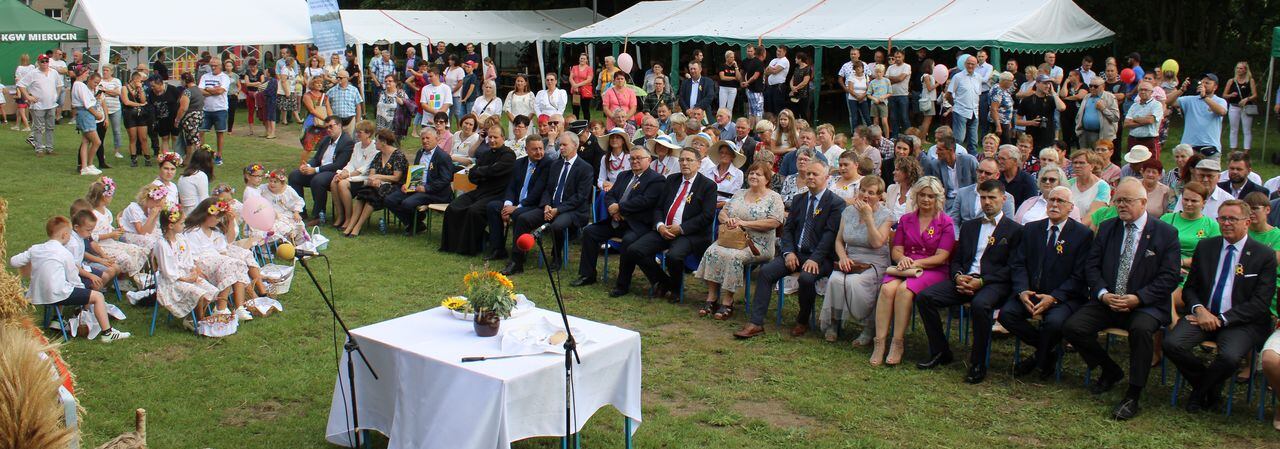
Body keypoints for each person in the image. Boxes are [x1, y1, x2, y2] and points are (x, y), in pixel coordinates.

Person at [1063, 177, 1181, 421]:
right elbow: (1091, 266)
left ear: (1144, 202)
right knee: (1074, 327)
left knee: (1141, 331)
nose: (1121, 205)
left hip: (1144, 305)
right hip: (1108, 299)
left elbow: (1169, 277)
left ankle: (1133, 394)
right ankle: (1110, 369)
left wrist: (1137, 298)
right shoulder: (1108, 228)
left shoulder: (1165, 233)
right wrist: (1104, 294)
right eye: (1118, 200)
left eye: (1127, 201)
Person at [1165, 200, 1276, 413]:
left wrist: (1222, 319)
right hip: (1202, 314)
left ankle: (1199, 393)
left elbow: (1260, 303)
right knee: (1172, 344)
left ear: (1247, 222)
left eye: (1232, 219)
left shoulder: (1264, 255)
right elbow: (1190, 289)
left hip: (1241, 322)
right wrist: (1199, 309)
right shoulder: (1207, 247)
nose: (1226, 223)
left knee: (1230, 357)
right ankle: (1211, 390)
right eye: (1222, 218)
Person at [917, 180, 1023, 384]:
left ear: (1004, 198)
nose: (987, 202)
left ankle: (978, 362)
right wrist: (958, 276)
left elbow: (1011, 267)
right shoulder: (970, 226)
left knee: (980, 305)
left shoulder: (1015, 230)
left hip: (994, 284)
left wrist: (981, 281)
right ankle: (941, 351)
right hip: (965, 278)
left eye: (992, 197)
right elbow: (957, 259)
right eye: (983, 197)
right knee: (925, 298)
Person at [733, 157, 844, 338]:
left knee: (807, 279)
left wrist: (815, 259)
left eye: (815, 174)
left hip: (821, 257)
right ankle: (756, 323)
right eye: (808, 173)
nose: (810, 177)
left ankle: (802, 320)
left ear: (827, 178)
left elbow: (829, 236)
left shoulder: (835, 203)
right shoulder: (799, 199)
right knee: (766, 272)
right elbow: (788, 230)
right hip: (795, 253)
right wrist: (788, 252)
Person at [999, 185, 1093, 379]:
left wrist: (1055, 297)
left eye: (1061, 201)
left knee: (1054, 323)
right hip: (1032, 293)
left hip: (1064, 297)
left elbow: (1079, 276)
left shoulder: (1082, 235)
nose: (1055, 204)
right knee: (1006, 315)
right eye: (1052, 200)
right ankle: (1048, 352)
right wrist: (1022, 290)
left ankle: (1037, 358)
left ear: (1070, 208)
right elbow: (1018, 264)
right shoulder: (1032, 229)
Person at [871, 176, 955, 365]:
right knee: (887, 289)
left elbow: (942, 256)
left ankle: (897, 342)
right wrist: (903, 259)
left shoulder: (946, 222)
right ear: (916, 196)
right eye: (922, 195)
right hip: (905, 265)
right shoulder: (906, 219)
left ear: (938, 198)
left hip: (933, 268)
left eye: (931, 196)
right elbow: (897, 249)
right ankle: (879, 342)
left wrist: (918, 264)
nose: (926, 200)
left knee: (903, 290)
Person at [612, 147, 717, 298]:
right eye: (681, 160)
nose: (684, 163)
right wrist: (660, 226)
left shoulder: (708, 186)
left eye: (689, 160)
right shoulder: (672, 180)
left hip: (689, 233)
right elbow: (659, 207)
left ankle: (675, 290)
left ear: (699, 164)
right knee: (635, 250)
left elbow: (707, 217)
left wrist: (680, 228)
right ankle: (663, 281)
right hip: (664, 229)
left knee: (674, 256)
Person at [9, 217, 131, 342]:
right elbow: (74, 280)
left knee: (69, 287)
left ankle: (58, 318)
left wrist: (31, 265)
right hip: (57, 294)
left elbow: (14, 261)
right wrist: (86, 297)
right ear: (65, 234)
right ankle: (108, 333)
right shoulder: (64, 253)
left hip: (37, 295)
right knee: (98, 296)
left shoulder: (35, 249)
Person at [693, 161, 783, 319]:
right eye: (751, 173)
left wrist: (744, 223)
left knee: (733, 257)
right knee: (712, 251)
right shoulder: (740, 193)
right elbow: (722, 212)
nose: (753, 176)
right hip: (732, 239)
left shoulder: (774, 198)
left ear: (767, 179)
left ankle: (728, 301)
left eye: (758, 174)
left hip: (757, 244)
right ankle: (712, 298)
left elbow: (774, 222)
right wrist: (727, 220)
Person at [501, 132, 593, 275]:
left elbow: (580, 197)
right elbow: (548, 189)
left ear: (575, 145)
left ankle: (556, 257)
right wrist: (546, 205)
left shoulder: (585, 168)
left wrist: (558, 210)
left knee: (557, 225)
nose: (561, 148)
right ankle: (516, 261)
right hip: (550, 208)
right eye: (559, 145)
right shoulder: (556, 165)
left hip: (573, 211)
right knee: (523, 218)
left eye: (564, 145)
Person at [821, 176, 893, 345]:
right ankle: (835, 322)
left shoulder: (886, 215)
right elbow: (839, 240)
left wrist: (868, 218)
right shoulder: (848, 211)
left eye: (871, 192)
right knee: (835, 280)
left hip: (875, 261)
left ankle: (868, 326)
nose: (865, 195)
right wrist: (843, 257)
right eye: (862, 190)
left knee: (855, 282)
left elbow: (877, 243)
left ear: (880, 196)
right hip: (851, 259)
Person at [439, 124, 516, 256]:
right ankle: (451, 245)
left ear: (503, 138)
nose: (492, 140)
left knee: (474, 211)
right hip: (479, 191)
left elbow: (493, 171)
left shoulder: (509, 155)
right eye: (490, 137)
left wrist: (481, 172)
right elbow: (473, 174)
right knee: (453, 207)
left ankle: (468, 247)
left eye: (495, 137)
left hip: (496, 194)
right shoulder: (486, 154)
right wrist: (483, 172)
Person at [181, 199, 254, 322]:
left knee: (237, 263)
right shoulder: (193, 232)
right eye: (216, 217)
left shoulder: (216, 232)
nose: (218, 220)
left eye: (220, 217)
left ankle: (239, 307)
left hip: (216, 261)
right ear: (205, 214)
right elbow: (190, 255)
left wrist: (231, 221)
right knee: (229, 264)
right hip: (201, 263)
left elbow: (224, 247)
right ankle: (221, 307)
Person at [153, 204, 222, 326]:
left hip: (186, 275)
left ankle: (192, 317)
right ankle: (200, 321)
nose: (184, 225)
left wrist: (194, 271)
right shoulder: (162, 244)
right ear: (171, 226)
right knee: (199, 293)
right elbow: (167, 270)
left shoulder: (181, 239)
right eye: (181, 223)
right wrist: (184, 278)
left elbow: (188, 260)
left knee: (211, 290)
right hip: (171, 282)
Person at [342, 129, 408, 238]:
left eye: (376, 140)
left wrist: (379, 177)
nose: (374, 142)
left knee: (372, 195)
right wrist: (374, 179)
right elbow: (372, 173)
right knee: (363, 194)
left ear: (384, 142)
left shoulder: (398, 155)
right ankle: (350, 225)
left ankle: (357, 227)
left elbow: (396, 178)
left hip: (395, 186)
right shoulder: (378, 156)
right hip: (377, 185)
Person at [289, 116, 354, 225]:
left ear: (339, 126)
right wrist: (308, 166)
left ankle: (318, 215)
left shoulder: (347, 142)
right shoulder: (326, 139)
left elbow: (339, 164)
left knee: (317, 180)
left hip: (335, 172)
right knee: (294, 175)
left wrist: (315, 170)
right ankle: (300, 211)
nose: (328, 130)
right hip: (320, 170)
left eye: (331, 126)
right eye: (326, 127)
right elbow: (317, 158)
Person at [329, 121, 381, 229]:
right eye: (356, 132)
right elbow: (351, 163)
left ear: (368, 134)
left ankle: (349, 218)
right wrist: (344, 172)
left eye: (360, 132)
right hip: (352, 176)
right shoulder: (357, 146)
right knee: (334, 181)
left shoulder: (374, 148)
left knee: (342, 184)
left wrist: (347, 175)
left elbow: (366, 168)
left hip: (365, 178)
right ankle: (340, 215)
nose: (357, 134)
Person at [1167, 73, 1229, 157]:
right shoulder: (1190, 100)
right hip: (1189, 147)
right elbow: (1167, 101)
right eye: (1202, 82)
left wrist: (1204, 97)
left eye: (1207, 83)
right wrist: (1181, 90)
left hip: (1210, 146)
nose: (1203, 85)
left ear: (1215, 87)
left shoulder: (1220, 101)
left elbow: (1222, 112)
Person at [947, 158, 1016, 231]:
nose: (982, 175)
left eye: (988, 173)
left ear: (997, 175)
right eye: (980, 171)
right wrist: (957, 238)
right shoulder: (962, 192)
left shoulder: (1006, 198)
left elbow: (1007, 227)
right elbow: (953, 221)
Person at [16, 54, 61, 156]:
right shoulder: (33, 73)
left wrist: (56, 96)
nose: (45, 63)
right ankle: (39, 149)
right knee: (38, 128)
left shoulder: (53, 72)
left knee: (50, 127)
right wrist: (28, 97)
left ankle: (49, 148)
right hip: (38, 106)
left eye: (46, 61)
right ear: (38, 62)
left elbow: (59, 85)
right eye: (42, 61)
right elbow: (21, 84)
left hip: (51, 105)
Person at [197, 58, 231, 164]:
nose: (213, 67)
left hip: (220, 109)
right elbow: (200, 90)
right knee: (200, 132)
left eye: (215, 65)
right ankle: (202, 155)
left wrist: (208, 89)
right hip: (206, 109)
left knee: (219, 133)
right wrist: (214, 90)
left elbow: (221, 91)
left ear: (220, 66)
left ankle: (219, 156)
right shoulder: (205, 76)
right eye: (211, 65)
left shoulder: (224, 78)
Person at [922, 135, 976, 202]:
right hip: (947, 201)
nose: (936, 152)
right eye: (937, 149)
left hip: (967, 199)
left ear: (950, 150)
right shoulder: (935, 165)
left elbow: (978, 181)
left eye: (940, 149)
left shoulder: (969, 161)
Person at [70, 67, 103, 175]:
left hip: (83, 113)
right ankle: (89, 164)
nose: (87, 75)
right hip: (85, 114)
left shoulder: (77, 85)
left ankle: (84, 167)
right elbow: (87, 104)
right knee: (97, 142)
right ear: (81, 73)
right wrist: (97, 114)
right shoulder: (80, 85)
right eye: (86, 73)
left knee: (85, 141)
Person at [946, 55, 982, 151]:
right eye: (968, 64)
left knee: (973, 141)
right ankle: (954, 157)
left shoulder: (978, 77)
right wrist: (955, 105)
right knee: (959, 139)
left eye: (973, 64)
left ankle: (973, 160)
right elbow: (948, 94)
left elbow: (978, 94)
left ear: (976, 65)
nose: (970, 66)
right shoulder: (958, 77)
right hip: (960, 111)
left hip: (974, 112)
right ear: (965, 64)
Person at [1221, 61, 1258, 151]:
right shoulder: (1231, 81)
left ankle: (1246, 150)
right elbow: (1224, 95)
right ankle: (1233, 149)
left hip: (1246, 107)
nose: (1239, 70)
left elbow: (1255, 95)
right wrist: (1230, 95)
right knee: (1234, 129)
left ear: (1245, 70)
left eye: (1241, 68)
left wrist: (1247, 99)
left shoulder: (1250, 80)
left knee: (1247, 130)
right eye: (1237, 68)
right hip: (1234, 107)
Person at [1075, 76, 1120, 150]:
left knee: (1099, 158)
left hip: (1101, 135)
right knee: (1085, 157)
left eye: (1095, 86)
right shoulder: (1087, 97)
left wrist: (1103, 109)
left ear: (1103, 86)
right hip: (1084, 134)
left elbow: (1115, 118)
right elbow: (1079, 115)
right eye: (1090, 86)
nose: (1092, 88)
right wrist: (1079, 130)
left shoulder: (1110, 97)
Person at [121, 72, 153, 166]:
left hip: (140, 115)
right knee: (133, 137)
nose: (141, 83)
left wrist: (141, 89)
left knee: (143, 138)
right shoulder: (125, 88)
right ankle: (133, 158)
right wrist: (139, 105)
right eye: (140, 81)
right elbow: (126, 102)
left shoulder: (139, 88)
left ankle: (147, 158)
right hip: (129, 114)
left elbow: (143, 100)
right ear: (135, 80)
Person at [1124, 81, 1164, 155]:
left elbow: (1150, 120)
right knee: (1132, 164)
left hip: (1149, 140)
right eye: (1141, 90)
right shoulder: (1134, 106)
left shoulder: (1157, 105)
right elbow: (1126, 123)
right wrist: (1143, 121)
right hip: (1133, 140)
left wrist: (1135, 118)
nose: (1143, 92)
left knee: (1150, 165)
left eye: (1146, 90)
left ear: (1151, 92)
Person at [98, 65, 124, 159]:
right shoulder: (99, 81)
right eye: (103, 70)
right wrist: (111, 92)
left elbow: (118, 93)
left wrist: (105, 90)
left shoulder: (116, 81)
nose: (105, 72)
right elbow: (98, 93)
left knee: (117, 131)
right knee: (102, 131)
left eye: (107, 70)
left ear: (111, 72)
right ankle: (102, 152)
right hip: (102, 109)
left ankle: (117, 151)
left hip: (115, 108)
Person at [177, 148, 214, 215]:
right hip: (195, 215)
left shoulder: (183, 176)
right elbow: (204, 200)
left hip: (185, 213)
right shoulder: (200, 175)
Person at [884, 50, 911, 137]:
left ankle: (910, 136)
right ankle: (894, 137)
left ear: (903, 57)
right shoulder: (890, 67)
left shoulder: (907, 66)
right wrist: (896, 79)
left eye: (899, 57)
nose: (897, 59)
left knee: (904, 117)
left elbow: (901, 78)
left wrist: (891, 78)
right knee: (893, 118)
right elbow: (886, 81)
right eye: (896, 57)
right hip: (891, 95)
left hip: (903, 95)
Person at [740, 45, 766, 119]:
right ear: (763, 53)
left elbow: (747, 74)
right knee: (758, 111)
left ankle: (751, 129)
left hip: (750, 90)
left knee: (751, 112)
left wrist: (746, 82)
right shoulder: (759, 63)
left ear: (755, 52)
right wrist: (747, 82)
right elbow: (755, 76)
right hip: (755, 91)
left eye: (751, 51)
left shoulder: (753, 62)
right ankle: (759, 129)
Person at [764, 46, 790, 115]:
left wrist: (770, 68)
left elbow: (775, 71)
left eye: (780, 51)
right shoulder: (774, 60)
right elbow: (766, 72)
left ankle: (778, 122)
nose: (778, 53)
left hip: (779, 87)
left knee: (777, 106)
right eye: (777, 51)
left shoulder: (785, 60)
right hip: (770, 86)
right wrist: (772, 69)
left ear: (784, 52)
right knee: (770, 106)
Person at [568, 53, 594, 120]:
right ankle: (576, 125)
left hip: (585, 92)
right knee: (575, 110)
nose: (582, 60)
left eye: (584, 58)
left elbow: (589, 80)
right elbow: (570, 78)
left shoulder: (589, 69)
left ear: (587, 60)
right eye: (581, 58)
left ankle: (586, 126)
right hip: (575, 92)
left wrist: (577, 85)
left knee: (585, 110)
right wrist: (574, 86)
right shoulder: (574, 67)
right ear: (579, 59)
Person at [789, 52, 814, 121]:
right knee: (794, 112)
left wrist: (794, 88)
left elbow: (805, 82)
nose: (795, 59)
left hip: (803, 95)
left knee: (803, 112)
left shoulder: (808, 68)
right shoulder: (796, 68)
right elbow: (792, 79)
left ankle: (805, 129)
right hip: (795, 93)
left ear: (800, 59)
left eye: (796, 58)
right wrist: (792, 87)